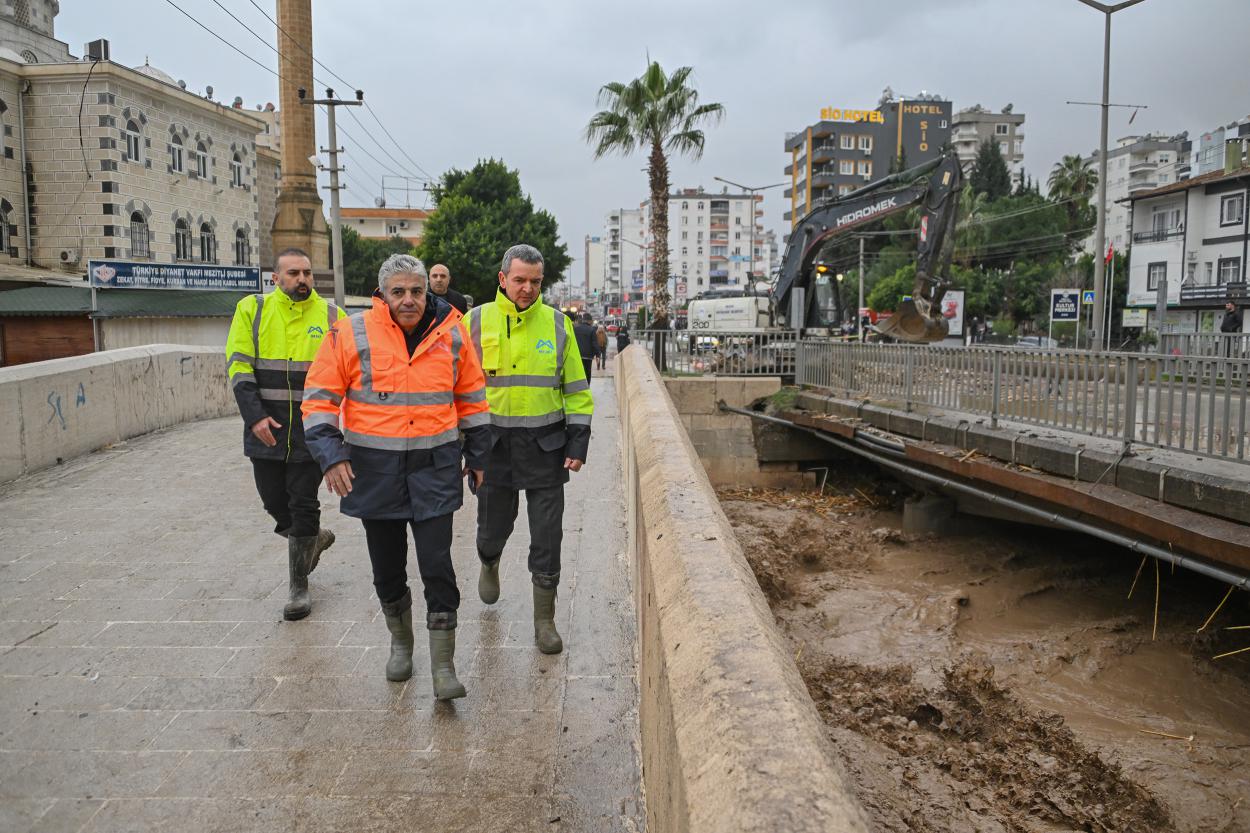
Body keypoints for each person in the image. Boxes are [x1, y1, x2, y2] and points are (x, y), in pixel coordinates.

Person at [302, 254, 490, 698]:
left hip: (435, 469)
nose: (409, 300)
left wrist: (479, 458)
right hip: (376, 473)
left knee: (437, 566)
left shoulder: (453, 333)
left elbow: (474, 399)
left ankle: (444, 666)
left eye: (417, 291)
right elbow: (318, 401)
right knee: (387, 569)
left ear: (429, 291)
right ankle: (401, 643)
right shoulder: (350, 332)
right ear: (382, 294)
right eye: (399, 292)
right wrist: (331, 456)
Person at [466, 244, 593, 654]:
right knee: (492, 528)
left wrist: (579, 440)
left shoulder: (557, 325)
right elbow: (455, 388)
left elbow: (575, 388)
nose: (527, 289)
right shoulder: (474, 321)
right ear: (503, 278)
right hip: (493, 448)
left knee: (547, 536)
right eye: (519, 280)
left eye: (535, 281)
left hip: (546, 447)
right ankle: (489, 559)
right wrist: (462, 447)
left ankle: (544, 619)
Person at [226, 248, 343, 621]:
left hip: (313, 428)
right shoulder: (252, 310)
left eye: (307, 273)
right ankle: (314, 539)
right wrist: (254, 417)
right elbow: (239, 366)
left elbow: (347, 372)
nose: (302, 279)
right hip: (268, 427)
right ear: (275, 278)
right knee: (273, 501)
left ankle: (298, 588)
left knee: (303, 503)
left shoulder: (331, 316)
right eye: (293, 273)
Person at [572, 311, 597, 382]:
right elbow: (594, 343)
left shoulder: (576, 329)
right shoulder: (592, 330)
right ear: (590, 321)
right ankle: (587, 387)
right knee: (587, 372)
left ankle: (579, 388)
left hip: (577, 355)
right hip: (588, 357)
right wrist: (597, 355)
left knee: (578, 372)